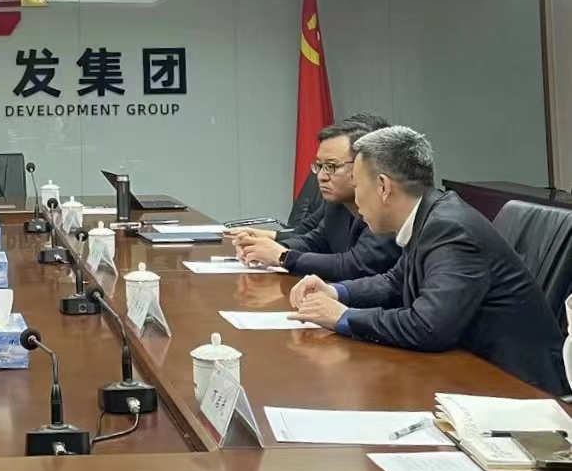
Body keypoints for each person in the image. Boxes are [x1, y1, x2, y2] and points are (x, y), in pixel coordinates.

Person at [289, 126, 569, 395]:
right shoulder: (428, 216)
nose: (356, 197)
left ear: (384, 187)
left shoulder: (450, 229)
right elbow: (394, 282)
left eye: (358, 185)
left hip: (518, 388)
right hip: (470, 370)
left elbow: (428, 326)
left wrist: (343, 316)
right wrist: (336, 291)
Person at [228, 115, 400, 280]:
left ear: (362, 166)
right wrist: (264, 250)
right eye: (319, 166)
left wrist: (282, 256)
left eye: (331, 166)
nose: (321, 177)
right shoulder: (337, 204)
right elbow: (314, 242)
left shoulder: (387, 207)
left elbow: (356, 265)